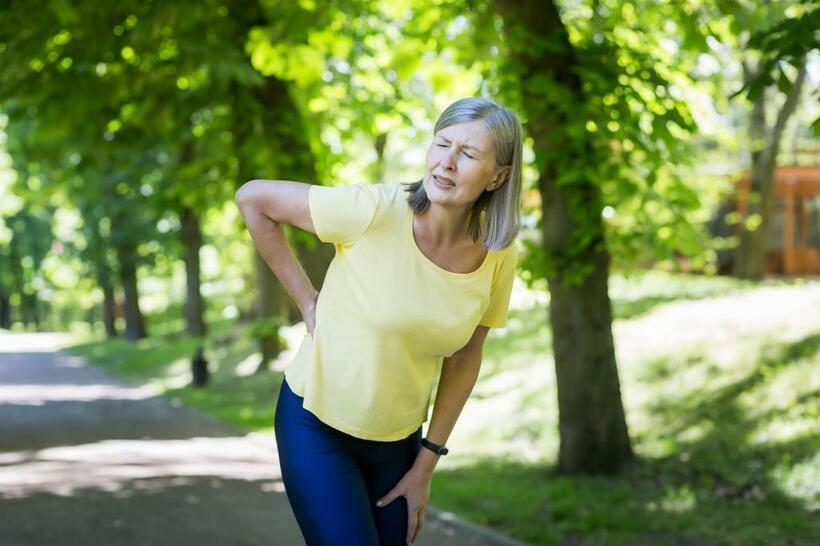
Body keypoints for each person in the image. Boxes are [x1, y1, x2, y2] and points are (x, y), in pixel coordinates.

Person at [235, 96, 523, 546]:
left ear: (498, 176)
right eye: (441, 144)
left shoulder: (497, 254)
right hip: (317, 424)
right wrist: (306, 300)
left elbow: (466, 357)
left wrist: (425, 464)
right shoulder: (373, 210)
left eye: (467, 154)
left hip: (398, 441)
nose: (446, 163)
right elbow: (253, 199)